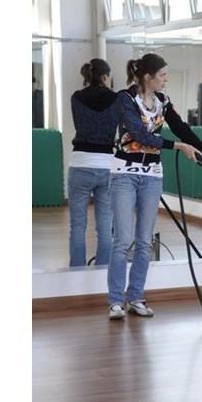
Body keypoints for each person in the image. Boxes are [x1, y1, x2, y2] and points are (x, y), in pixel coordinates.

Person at [107, 53, 202, 320]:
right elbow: (139, 134)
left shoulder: (163, 102)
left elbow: (182, 128)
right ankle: (115, 302)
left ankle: (136, 297)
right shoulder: (125, 99)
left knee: (145, 241)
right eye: (162, 75)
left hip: (152, 176)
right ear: (148, 77)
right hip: (124, 174)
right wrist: (176, 146)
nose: (165, 79)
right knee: (122, 240)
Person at [68, 59, 118, 267]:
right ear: (105, 76)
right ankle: (103, 269)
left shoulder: (76, 97)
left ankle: (76, 270)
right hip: (106, 165)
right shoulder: (116, 98)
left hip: (80, 163)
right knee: (105, 226)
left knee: (77, 225)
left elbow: (80, 124)